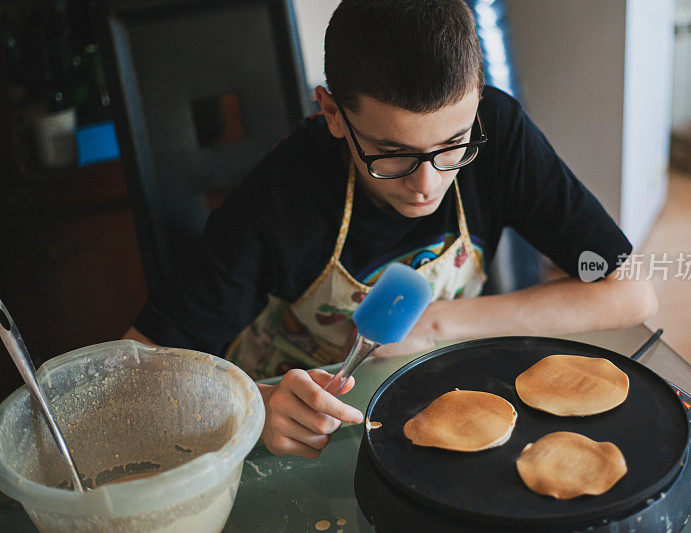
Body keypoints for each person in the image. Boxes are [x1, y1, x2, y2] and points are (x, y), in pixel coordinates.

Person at [124, 0, 657, 459]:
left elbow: (631, 291)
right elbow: (138, 375)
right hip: (293, 436)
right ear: (332, 113)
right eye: (392, 154)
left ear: (476, 96)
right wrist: (255, 409)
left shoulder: (499, 130)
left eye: (453, 143)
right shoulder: (280, 197)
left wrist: (439, 324)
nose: (427, 184)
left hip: (430, 404)